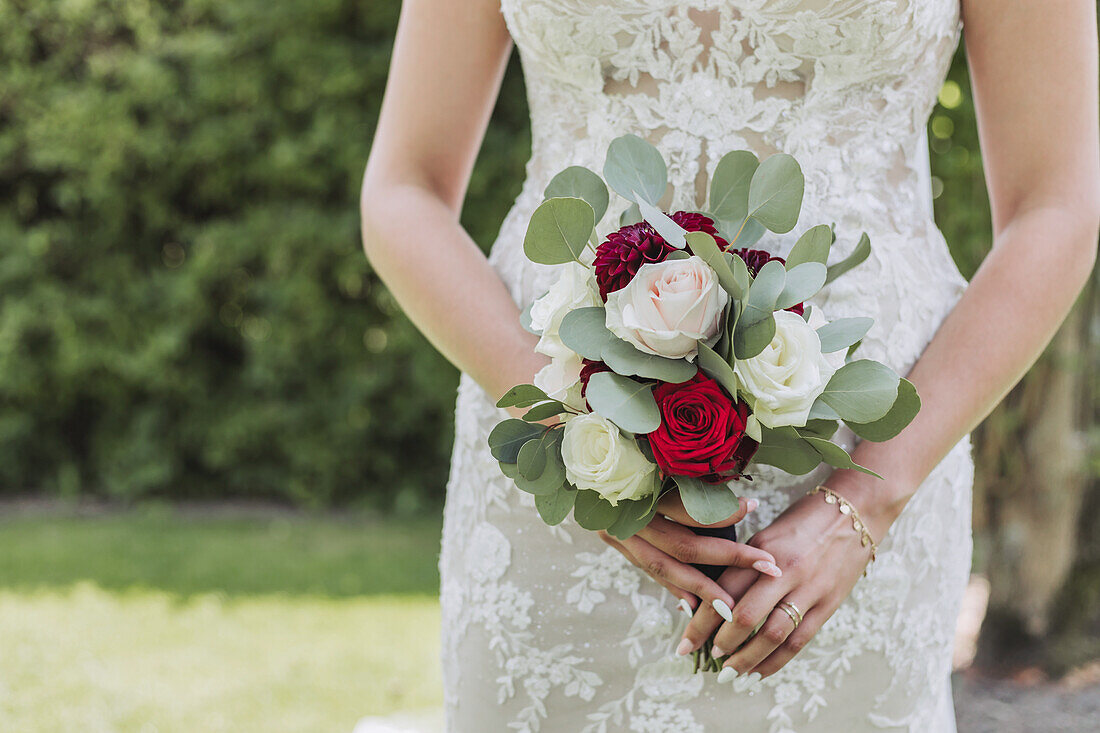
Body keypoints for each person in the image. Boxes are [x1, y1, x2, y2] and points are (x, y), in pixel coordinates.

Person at [360, 1, 1099, 731]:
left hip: (871, 469)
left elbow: (1056, 207)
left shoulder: (870, 498)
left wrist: (865, 503)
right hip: (561, 480)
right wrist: (573, 445)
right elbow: (404, 190)